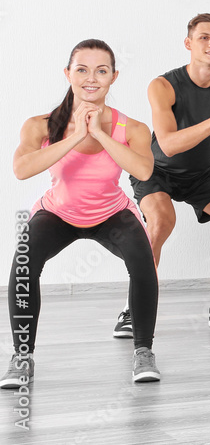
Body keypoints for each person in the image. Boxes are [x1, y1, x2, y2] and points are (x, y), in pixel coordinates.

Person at [2, 40, 160, 387]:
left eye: (102, 71)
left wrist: (100, 134)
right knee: (24, 262)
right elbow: (21, 169)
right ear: (68, 73)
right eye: (82, 69)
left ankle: (144, 351)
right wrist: (75, 135)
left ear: (113, 77)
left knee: (143, 262)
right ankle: (22, 356)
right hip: (58, 212)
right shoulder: (39, 125)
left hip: (111, 213)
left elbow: (144, 171)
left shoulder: (131, 129)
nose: (92, 78)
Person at [118, 13, 210, 334]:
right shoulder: (163, 85)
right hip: (156, 169)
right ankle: (132, 309)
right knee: (161, 221)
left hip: (202, 172)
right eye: (204, 38)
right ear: (189, 43)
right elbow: (169, 145)